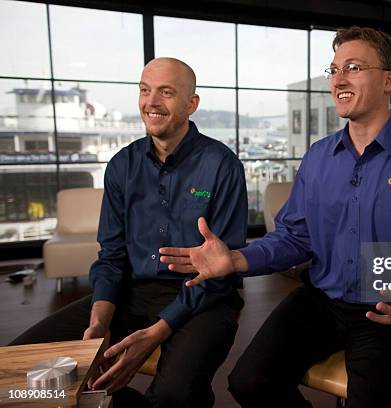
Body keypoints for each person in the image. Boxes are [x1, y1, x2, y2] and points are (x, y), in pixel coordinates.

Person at [161, 27, 391, 407]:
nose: (339, 79)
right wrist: (237, 258)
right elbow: (294, 237)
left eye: (353, 67)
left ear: (388, 80)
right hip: (322, 302)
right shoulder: (318, 157)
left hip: (389, 310)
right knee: (248, 381)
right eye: (334, 70)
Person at [10, 57, 248, 408]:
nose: (151, 102)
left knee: (173, 395)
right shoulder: (122, 165)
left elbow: (221, 274)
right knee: (20, 362)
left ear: (191, 104)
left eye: (166, 92)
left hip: (204, 297)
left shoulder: (222, 165)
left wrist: (157, 332)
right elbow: (111, 256)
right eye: (144, 90)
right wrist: (100, 319)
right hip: (131, 292)